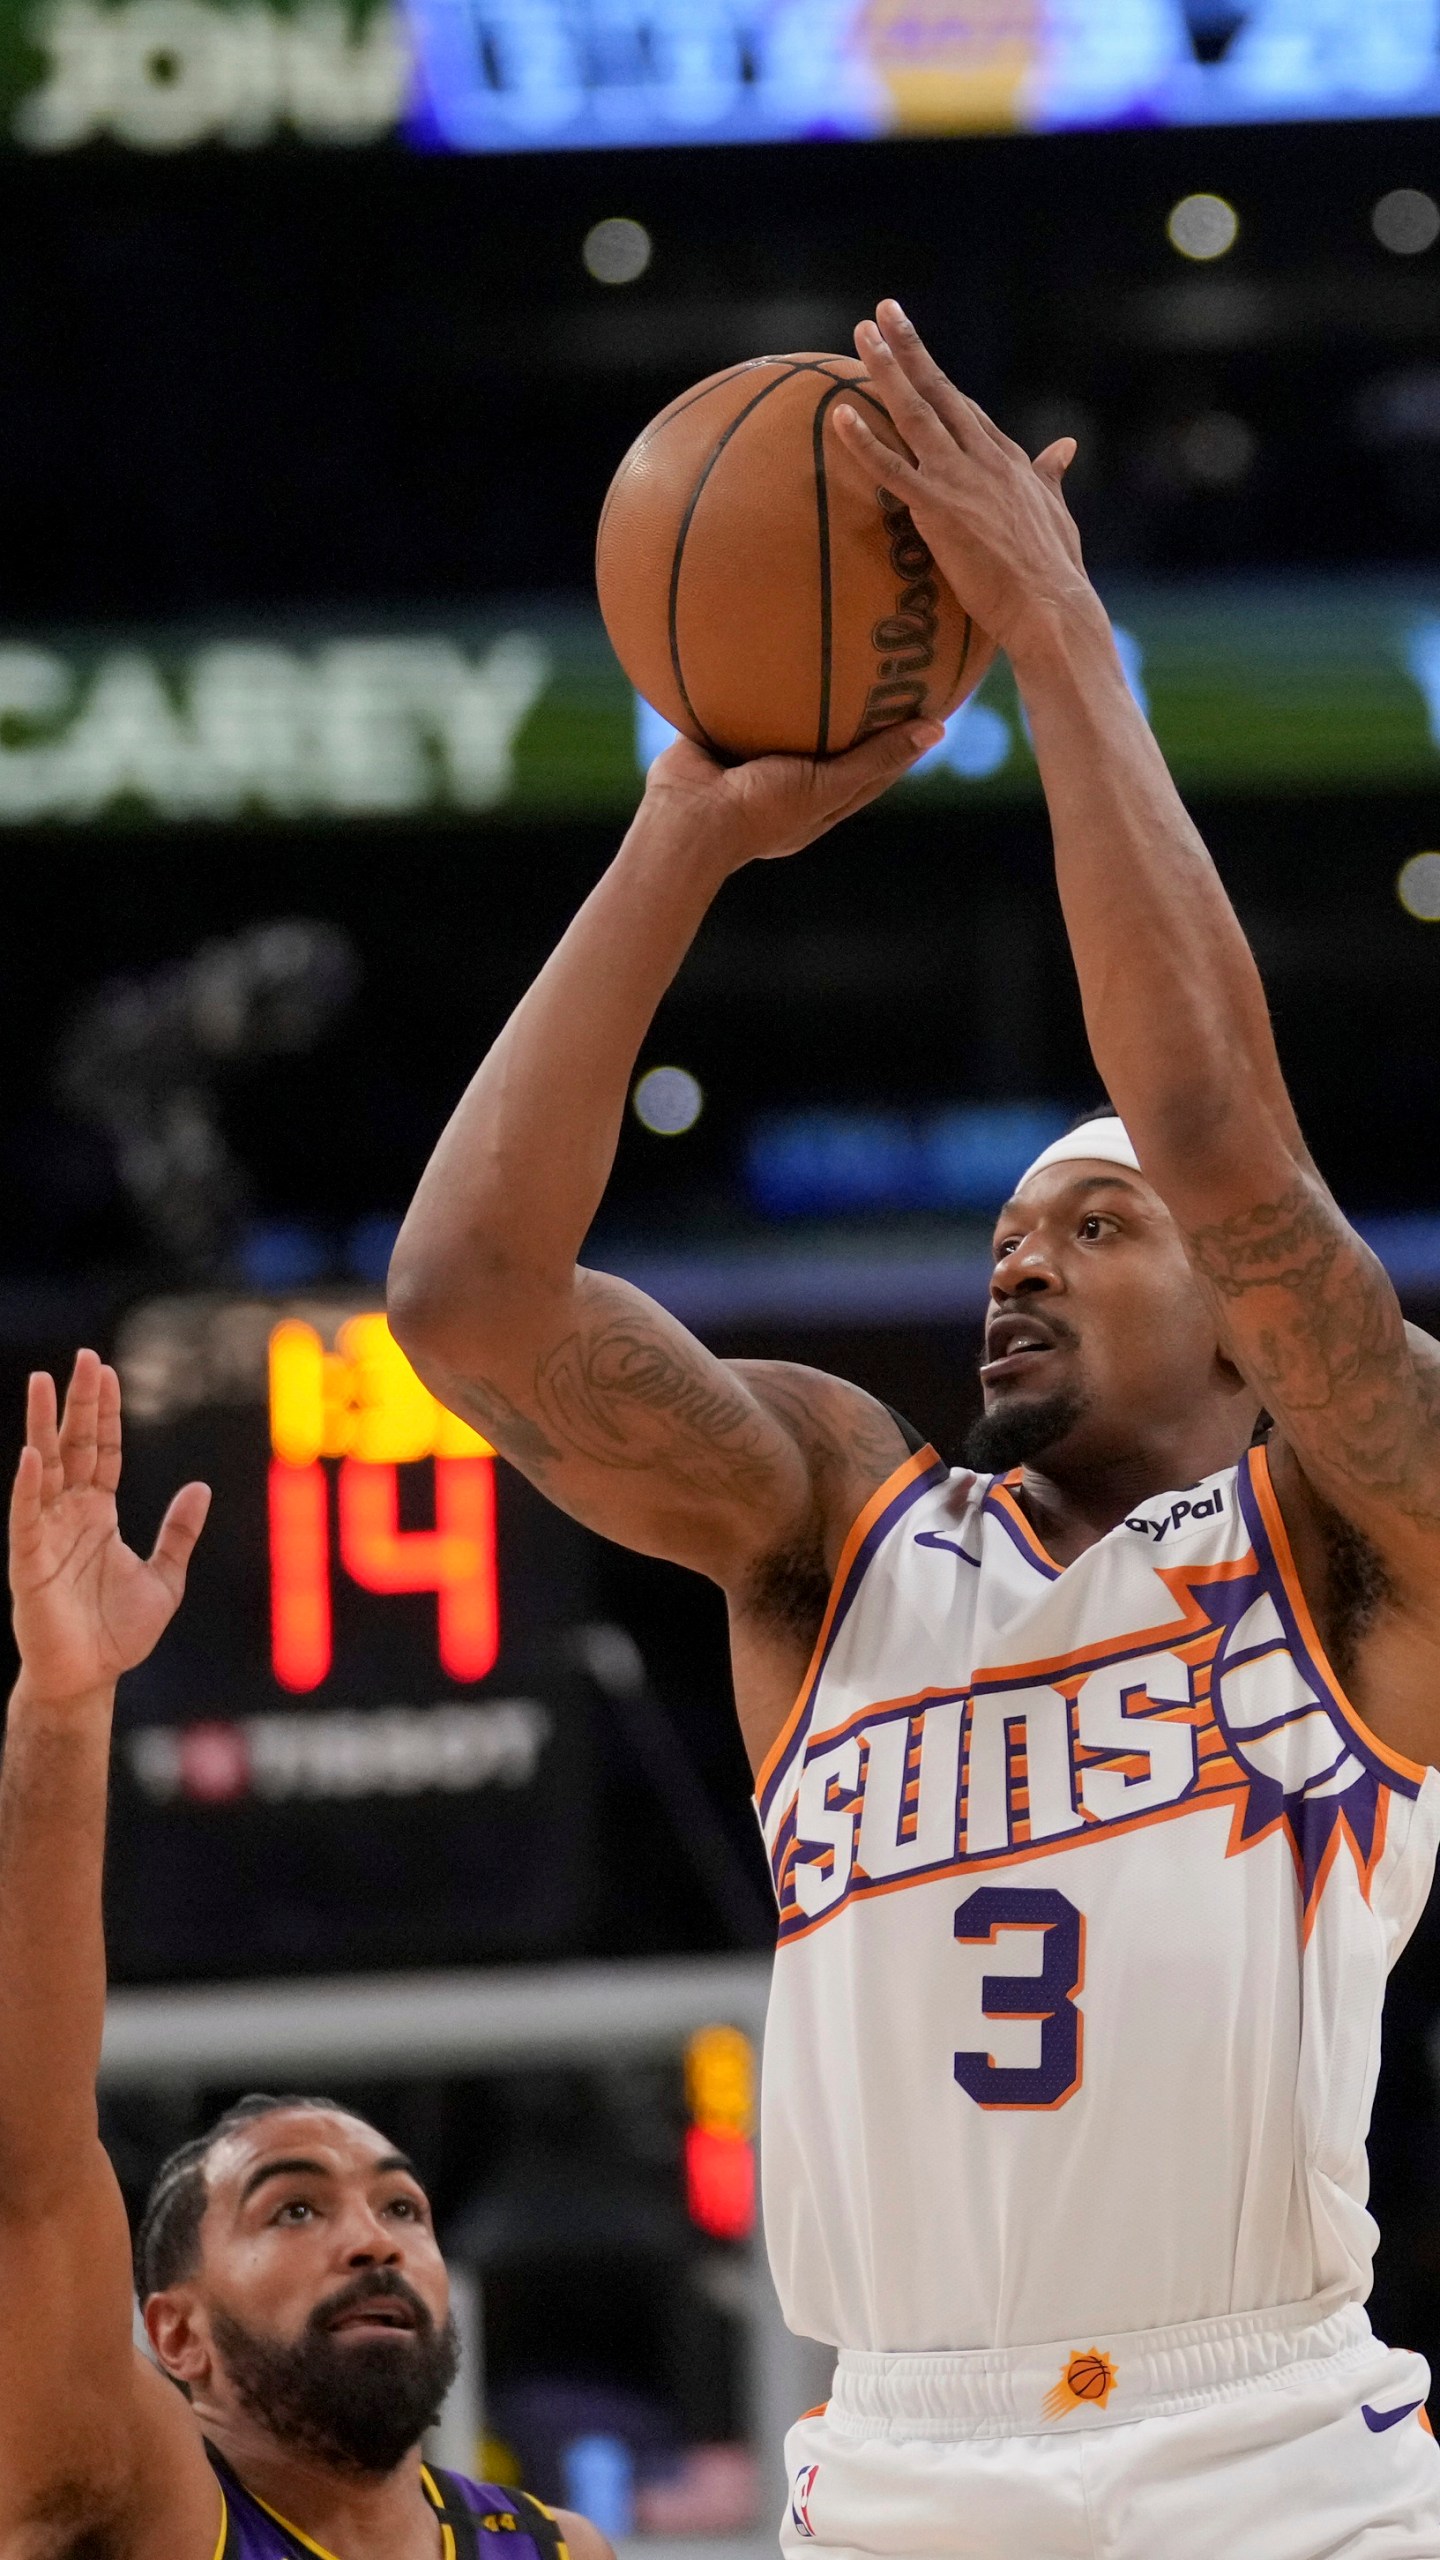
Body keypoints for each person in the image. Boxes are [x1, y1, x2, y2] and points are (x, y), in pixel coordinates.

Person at [387, 296, 1440, 2557]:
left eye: (1089, 1223)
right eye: (1000, 1229)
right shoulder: (833, 1527)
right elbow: (464, 1304)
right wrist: (683, 830)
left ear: (1252, 1334)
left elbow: (1225, 1144)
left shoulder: (1366, 1531)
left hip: (1261, 2444)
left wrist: (1065, 645)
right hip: (897, 2460)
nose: (1016, 1258)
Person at [1, 1349, 610, 2560]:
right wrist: (64, 1708)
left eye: (402, 2205)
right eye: (291, 2209)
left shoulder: (558, 2550)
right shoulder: (145, 2503)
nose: (375, 2236)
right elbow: (27, 2158)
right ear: (175, 2337)